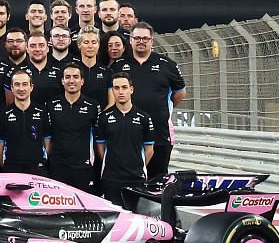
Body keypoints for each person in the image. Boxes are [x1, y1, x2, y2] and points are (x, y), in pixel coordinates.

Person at [113, 25, 186, 180]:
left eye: (145, 38)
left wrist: (163, 108)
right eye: (137, 38)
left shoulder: (167, 64)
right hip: (127, 134)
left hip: (159, 134)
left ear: (151, 41)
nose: (141, 41)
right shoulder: (118, 64)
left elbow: (180, 93)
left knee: (157, 181)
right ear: (130, 41)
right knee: (128, 179)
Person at [95, 75, 157, 205]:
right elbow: (100, 148)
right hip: (111, 178)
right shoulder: (104, 118)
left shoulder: (144, 117)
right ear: (112, 91)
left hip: (136, 178)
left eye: (124, 87)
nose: (120, 91)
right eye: (116, 88)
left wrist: (137, 167)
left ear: (131, 89)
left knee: (136, 217)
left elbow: (149, 150)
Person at [43, 64, 101, 191]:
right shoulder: (51, 105)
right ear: (62, 81)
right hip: (57, 167)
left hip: (83, 167)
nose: (71, 80)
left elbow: (99, 139)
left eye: (75, 77)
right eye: (67, 77)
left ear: (82, 81)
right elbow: (47, 137)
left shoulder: (93, 106)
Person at [0, 70, 49, 175]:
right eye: (17, 85)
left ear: (31, 87)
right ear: (12, 88)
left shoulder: (42, 112)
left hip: (38, 169)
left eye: (25, 84)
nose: (21, 88)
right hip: (11, 169)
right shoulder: (3, 114)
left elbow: (48, 144)